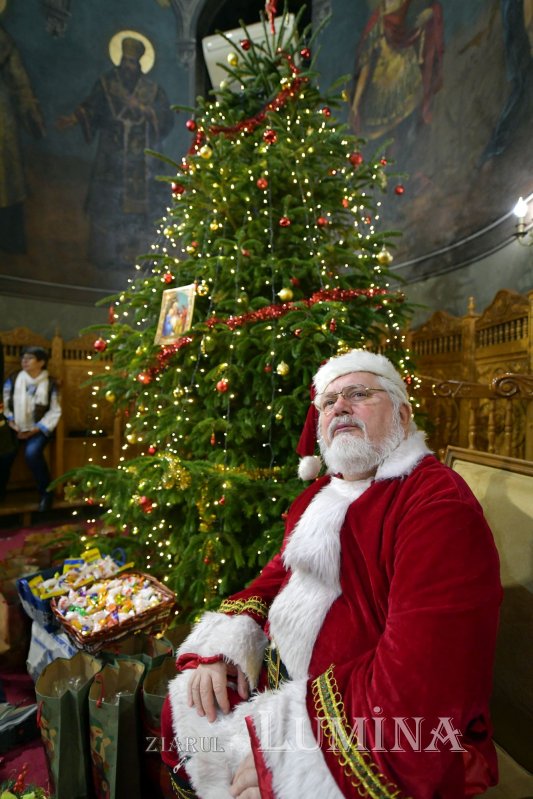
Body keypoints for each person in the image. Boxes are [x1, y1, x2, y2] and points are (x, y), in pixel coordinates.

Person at [160, 349, 502, 799]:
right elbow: (273, 577)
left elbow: (424, 672)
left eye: (359, 394)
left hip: (353, 716)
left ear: (402, 412)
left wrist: (293, 759)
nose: (339, 406)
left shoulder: (437, 505)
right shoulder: (320, 492)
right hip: (279, 678)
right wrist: (224, 645)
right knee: (185, 705)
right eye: (328, 402)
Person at [56, 34, 174, 268]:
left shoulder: (152, 90)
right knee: (107, 203)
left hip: (142, 159)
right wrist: (75, 118)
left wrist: (143, 109)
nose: (128, 67)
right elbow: (92, 106)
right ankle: (105, 254)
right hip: (111, 155)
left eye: (133, 63)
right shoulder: (107, 83)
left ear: (140, 64)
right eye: (125, 61)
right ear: (120, 60)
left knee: (141, 209)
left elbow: (166, 117)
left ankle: (139, 256)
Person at [350, 0, 444, 140]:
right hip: (381, 85)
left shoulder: (415, 10)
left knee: (401, 127)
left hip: (403, 75)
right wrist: (356, 104)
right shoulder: (378, 18)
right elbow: (365, 63)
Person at [0, 23, 46, 253]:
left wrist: (32, 113)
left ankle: (8, 240)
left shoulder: (3, 40)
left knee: (6, 181)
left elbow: (20, 83)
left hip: (1, 118)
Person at [0, 346, 61, 511]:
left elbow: (55, 410)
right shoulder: (13, 379)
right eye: (23, 358)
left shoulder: (50, 383)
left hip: (38, 430)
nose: (24, 361)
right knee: (5, 453)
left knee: (32, 454)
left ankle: (46, 495)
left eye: (29, 358)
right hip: (14, 427)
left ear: (41, 362)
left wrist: (36, 429)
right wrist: (11, 422)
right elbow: (4, 404)